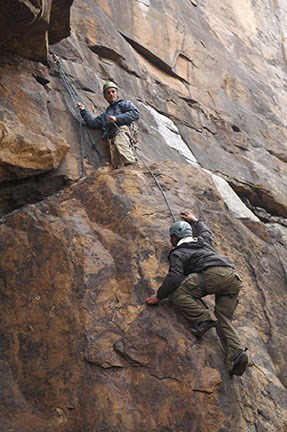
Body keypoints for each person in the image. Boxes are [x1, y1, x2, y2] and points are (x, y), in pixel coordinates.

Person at [146, 210, 248, 376]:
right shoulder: (203, 241)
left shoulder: (178, 253)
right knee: (224, 318)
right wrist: (195, 220)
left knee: (178, 293)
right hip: (232, 277)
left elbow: (174, 277)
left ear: (174, 238)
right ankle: (237, 355)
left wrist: (159, 296)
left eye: (171, 238)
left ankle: (204, 320)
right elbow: (206, 231)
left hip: (212, 273)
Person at [77, 80, 139, 168]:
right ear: (105, 97)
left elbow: (135, 113)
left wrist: (117, 118)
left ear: (117, 93)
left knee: (120, 144)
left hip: (124, 129)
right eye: (108, 93)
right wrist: (83, 110)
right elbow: (93, 123)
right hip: (113, 136)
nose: (111, 94)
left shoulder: (124, 103)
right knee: (117, 163)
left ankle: (132, 165)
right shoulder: (106, 115)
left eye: (113, 91)